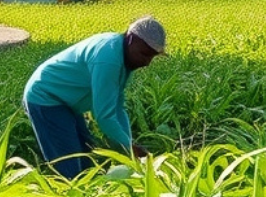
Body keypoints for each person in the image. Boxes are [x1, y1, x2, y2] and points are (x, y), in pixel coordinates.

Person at [22, 15, 165, 179]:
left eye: (152, 57)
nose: (147, 62)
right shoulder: (108, 59)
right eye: (145, 54)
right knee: (69, 166)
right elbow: (104, 116)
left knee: (86, 158)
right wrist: (129, 148)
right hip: (46, 97)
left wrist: (128, 145)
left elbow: (117, 107)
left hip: (67, 102)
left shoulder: (124, 59)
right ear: (131, 39)